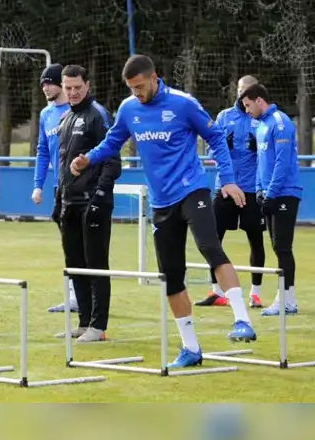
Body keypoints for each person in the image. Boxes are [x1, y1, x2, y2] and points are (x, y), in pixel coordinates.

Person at [70, 54, 257, 369]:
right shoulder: (130, 109)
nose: (137, 94)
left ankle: (241, 319)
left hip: (191, 188)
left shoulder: (183, 104)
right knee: (171, 276)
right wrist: (88, 158)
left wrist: (227, 179)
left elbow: (215, 138)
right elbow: (112, 142)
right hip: (161, 201)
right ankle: (191, 348)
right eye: (131, 89)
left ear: (154, 77)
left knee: (210, 245)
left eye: (140, 87)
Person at [55, 65, 121, 342]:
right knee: (75, 264)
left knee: (95, 264)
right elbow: (62, 163)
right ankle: (83, 322)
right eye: (67, 88)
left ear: (88, 85)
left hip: (92, 202)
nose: (72, 92)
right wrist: (59, 198)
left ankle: (98, 326)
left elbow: (112, 160)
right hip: (69, 202)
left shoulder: (99, 115)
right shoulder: (66, 118)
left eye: (77, 88)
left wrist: (100, 197)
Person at [195, 75, 267, 310]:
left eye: (246, 90)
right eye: (239, 89)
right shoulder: (225, 117)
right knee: (213, 239)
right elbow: (211, 150)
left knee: (255, 240)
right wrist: (219, 150)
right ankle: (217, 291)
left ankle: (255, 293)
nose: (241, 94)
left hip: (251, 189)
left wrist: (260, 149)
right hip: (224, 187)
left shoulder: (262, 119)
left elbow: (269, 153)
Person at [241, 83, 303, 317]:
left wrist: (271, 192)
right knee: (278, 246)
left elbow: (282, 162)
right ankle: (289, 299)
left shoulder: (280, 122)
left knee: (283, 247)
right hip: (269, 194)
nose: (247, 110)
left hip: (285, 192)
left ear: (259, 100)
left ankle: (285, 299)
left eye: (248, 105)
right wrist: (259, 189)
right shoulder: (260, 125)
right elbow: (261, 162)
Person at [30, 63, 80, 313]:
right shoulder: (45, 115)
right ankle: (74, 295)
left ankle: (86, 296)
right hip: (58, 187)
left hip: (80, 186)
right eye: (42, 84)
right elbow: (42, 151)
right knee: (67, 241)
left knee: (82, 243)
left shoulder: (76, 110)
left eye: (49, 82)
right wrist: (38, 185)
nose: (45, 87)